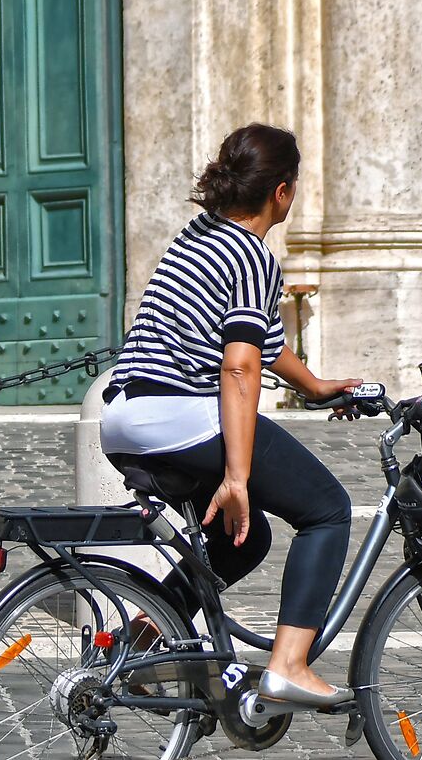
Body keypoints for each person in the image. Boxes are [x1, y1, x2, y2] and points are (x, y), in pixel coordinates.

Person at [100, 123, 364, 707]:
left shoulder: (198, 237)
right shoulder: (252, 254)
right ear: (283, 192)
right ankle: (290, 665)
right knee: (326, 509)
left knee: (243, 541)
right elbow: (240, 369)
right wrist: (238, 478)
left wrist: (316, 386)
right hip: (181, 416)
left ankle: (147, 646)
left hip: (124, 418)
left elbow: (260, 343)